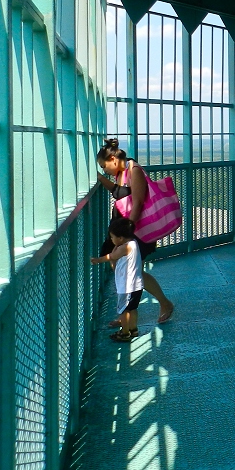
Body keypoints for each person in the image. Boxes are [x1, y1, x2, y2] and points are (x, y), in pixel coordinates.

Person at [97, 140, 175, 325]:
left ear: (113, 159)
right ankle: (132, 312)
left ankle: (157, 306)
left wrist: (127, 234)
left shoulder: (134, 170)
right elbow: (120, 193)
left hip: (134, 230)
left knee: (132, 272)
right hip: (122, 229)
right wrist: (101, 180)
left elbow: (138, 202)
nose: (104, 170)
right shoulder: (121, 173)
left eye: (104, 166)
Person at [91, 216, 143, 342]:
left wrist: (97, 260)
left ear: (120, 238)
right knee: (133, 308)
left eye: (113, 237)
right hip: (137, 285)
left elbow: (111, 256)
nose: (112, 239)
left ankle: (125, 333)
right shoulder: (133, 243)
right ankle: (133, 329)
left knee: (123, 311)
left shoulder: (123, 247)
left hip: (126, 287)